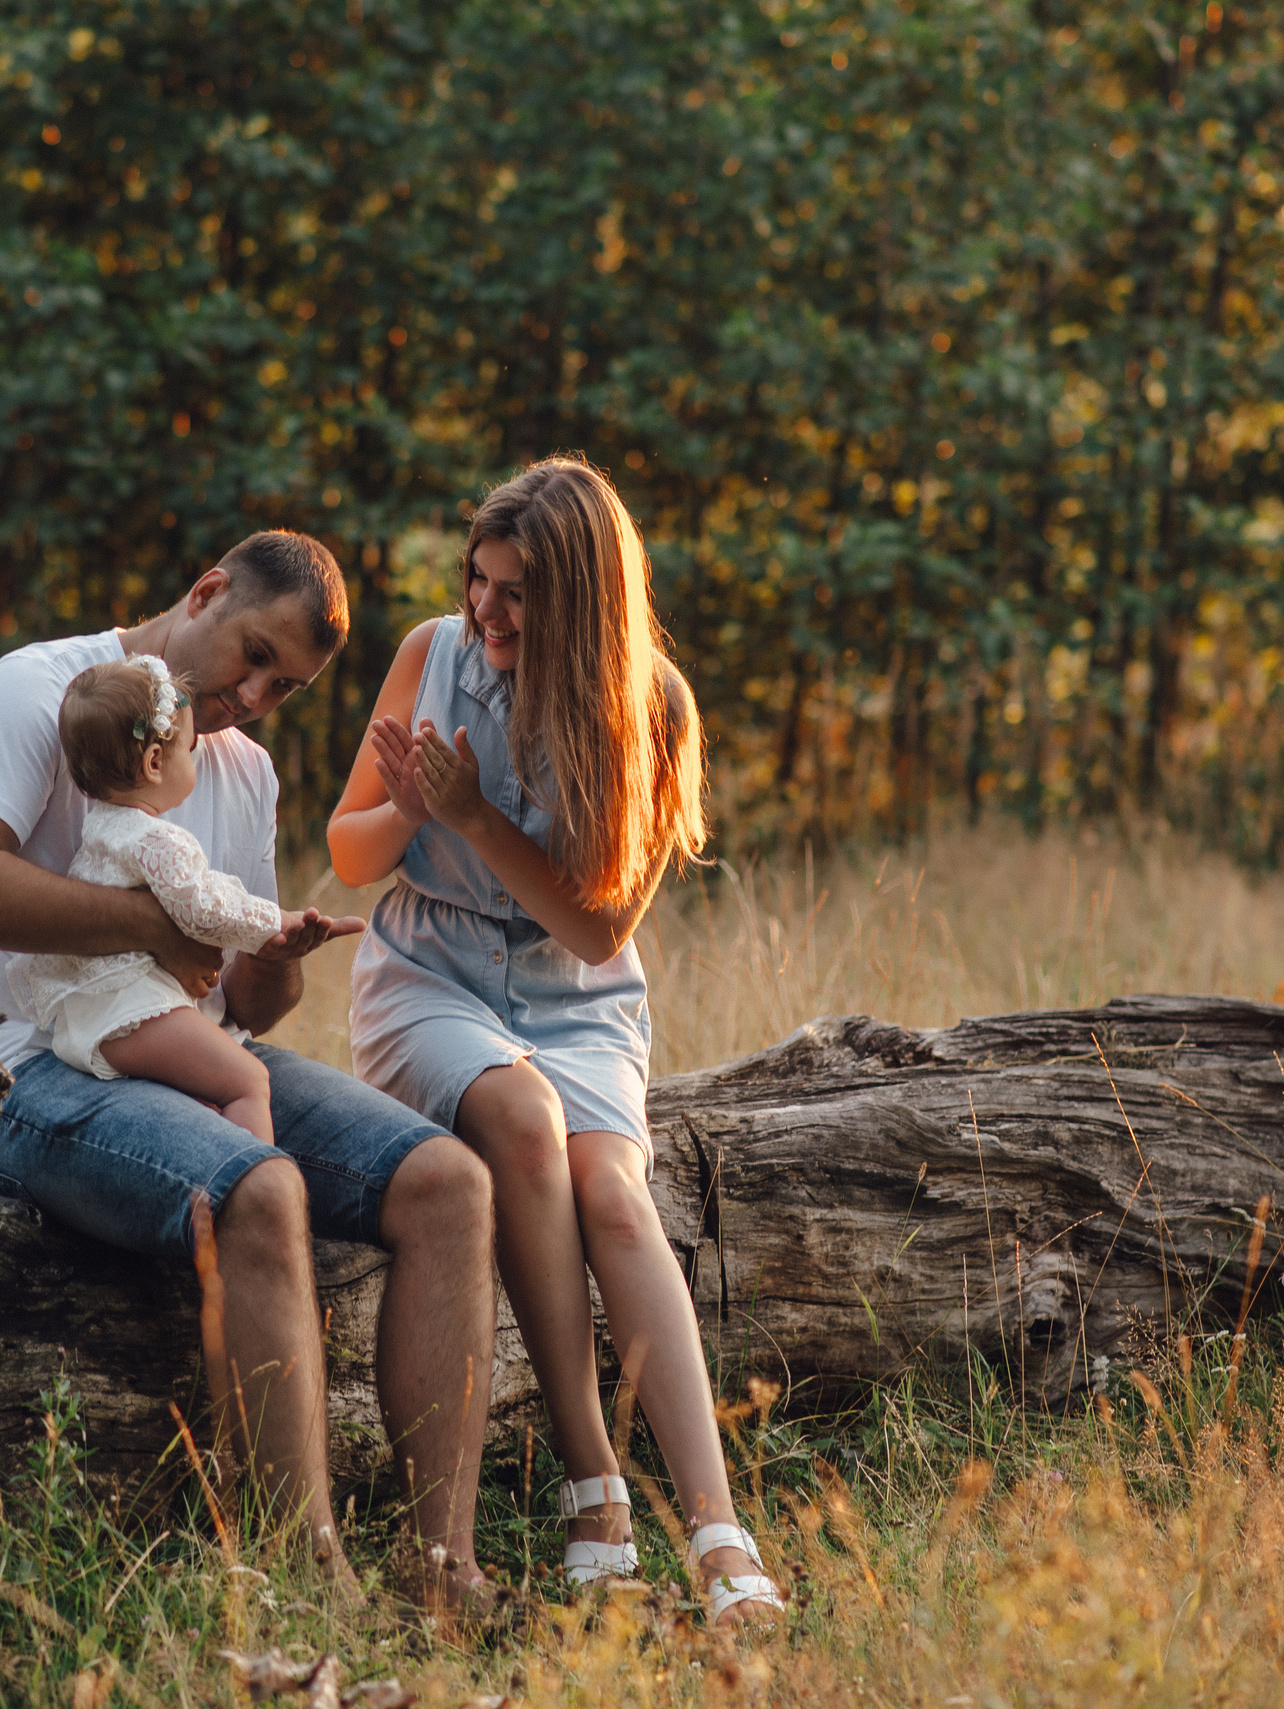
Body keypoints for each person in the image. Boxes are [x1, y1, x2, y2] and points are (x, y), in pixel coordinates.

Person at [0, 531, 498, 1611]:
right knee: (261, 1185)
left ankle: (442, 1574)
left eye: (287, 686)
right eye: (255, 654)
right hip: (17, 1066)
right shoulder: (35, 690)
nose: (255, 695)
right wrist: (151, 924)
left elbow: (245, 1001)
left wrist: (276, 958)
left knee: (451, 1182)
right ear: (205, 591)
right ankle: (310, 1581)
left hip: (185, 1047)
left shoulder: (242, 768)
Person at [328, 457, 786, 1625]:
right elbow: (346, 851)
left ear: (581, 601)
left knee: (617, 1200)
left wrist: (477, 817)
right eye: (477, 579)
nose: (485, 609)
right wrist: (411, 811)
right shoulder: (431, 654)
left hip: (574, 996)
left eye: (517, 592)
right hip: (426, 973)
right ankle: (595, 1481)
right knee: (524, 1123)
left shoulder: (654, 707)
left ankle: (718, 1531)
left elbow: (595, 928)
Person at [6, 655, 365, 1145]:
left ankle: (213, 1167)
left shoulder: (102, 828)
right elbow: (203, 908)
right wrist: (276, 922)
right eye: (188, 748)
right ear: (155, 762)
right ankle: (252, 1174)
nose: (194, 757)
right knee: (249, 1080)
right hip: (130, 1011)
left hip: (93, 1016)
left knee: (205, 1093)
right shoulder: (158, 841)